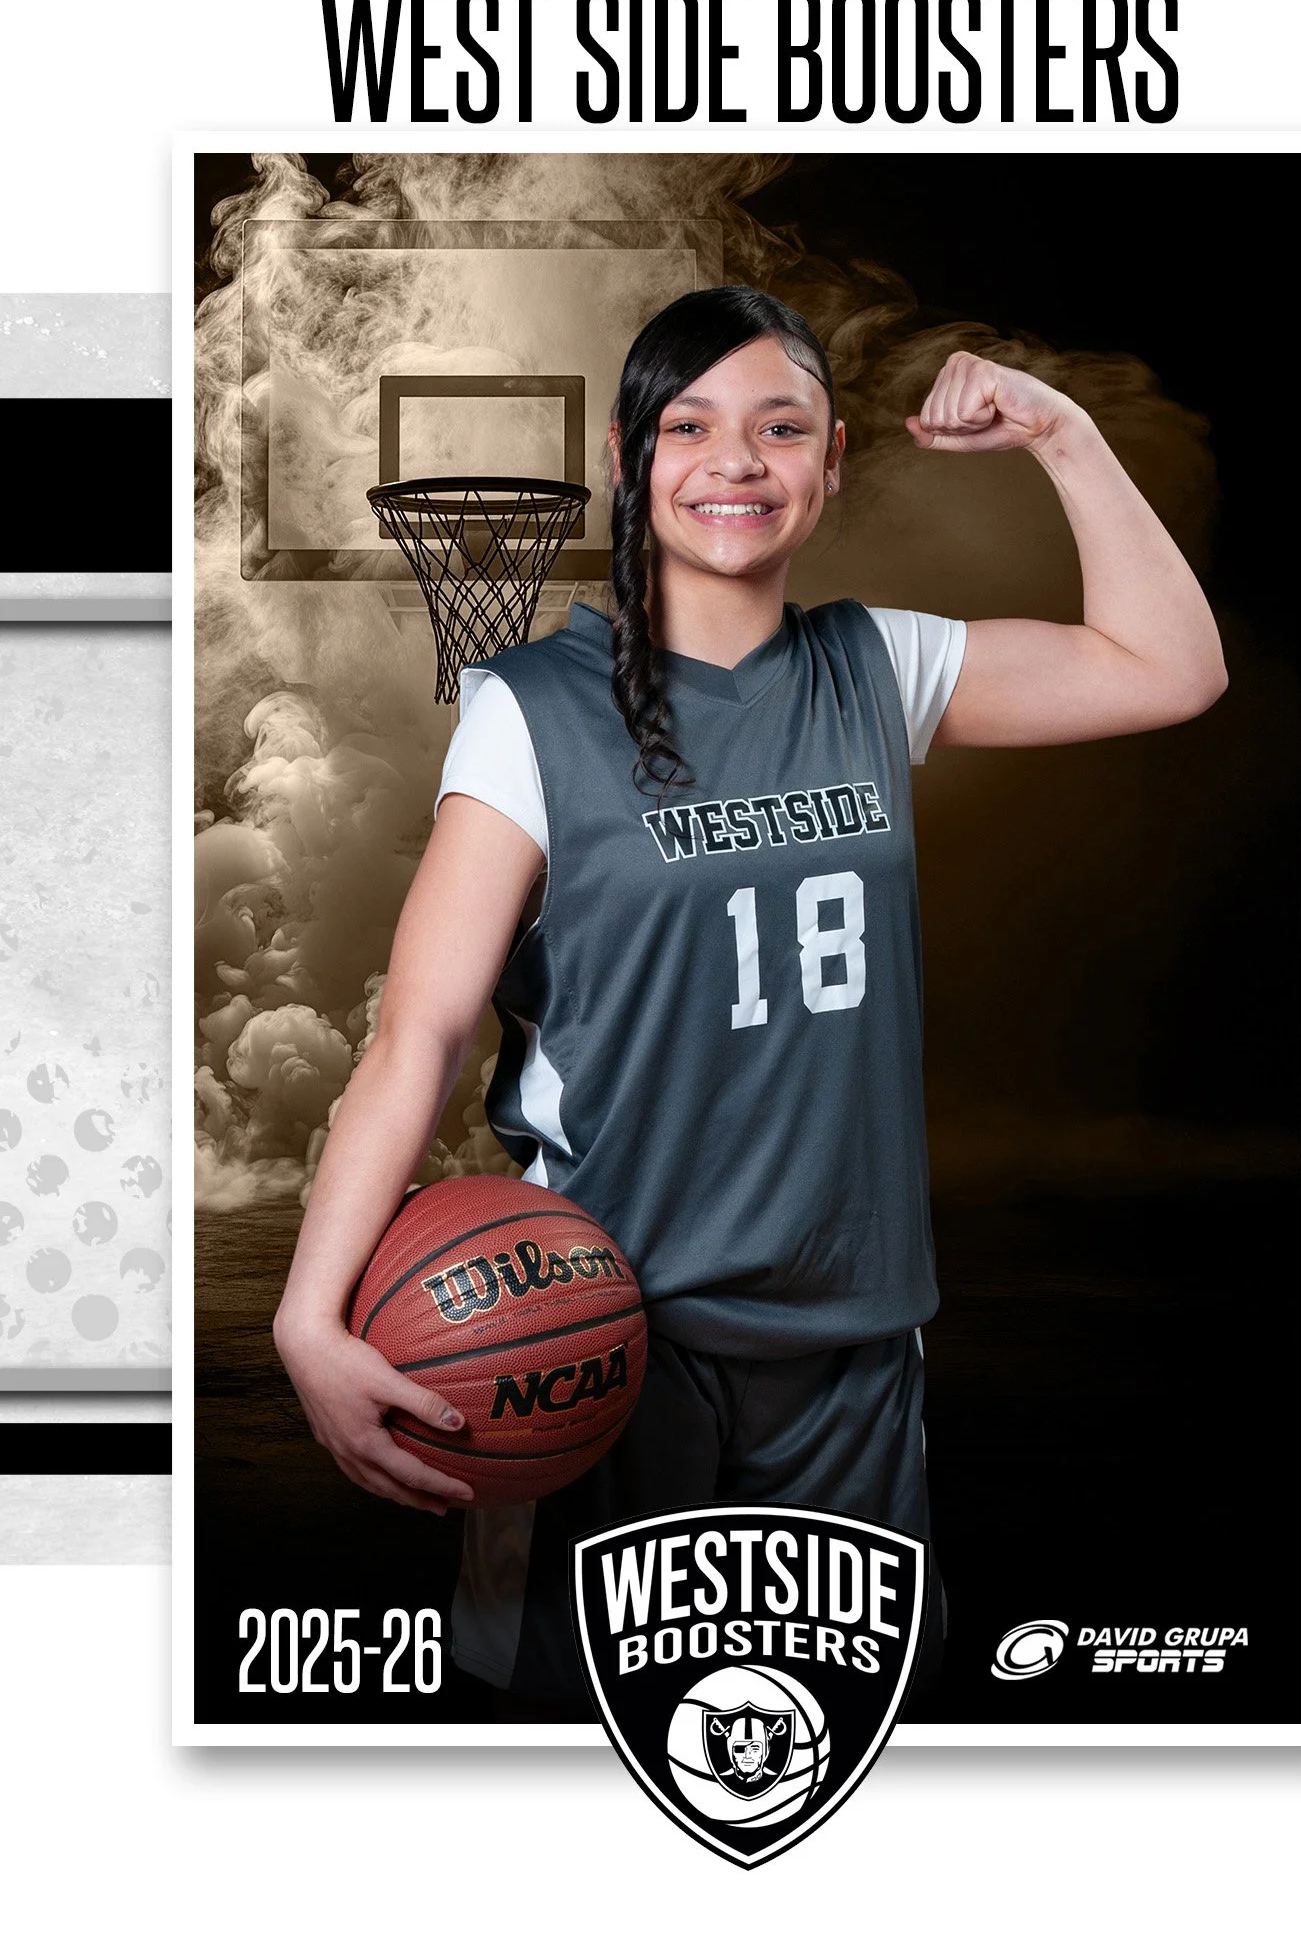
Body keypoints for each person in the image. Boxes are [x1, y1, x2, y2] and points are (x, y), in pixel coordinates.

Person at [273, 285, 1227, 1710]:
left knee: (826, 1744)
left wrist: (1066, 436)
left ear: (832, 462)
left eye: (782, 427)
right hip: (599, 1338)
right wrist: (307, 1315)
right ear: (628, 457)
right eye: (693, 426)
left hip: (851, 1335)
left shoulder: (877, 663)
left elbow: (1172, 669)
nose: (739, 460)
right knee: (581, 1733)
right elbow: (421, 1032)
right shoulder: (532, 707)